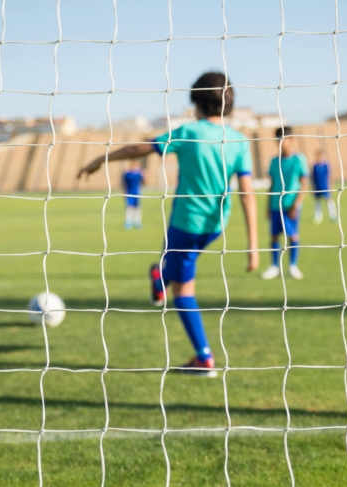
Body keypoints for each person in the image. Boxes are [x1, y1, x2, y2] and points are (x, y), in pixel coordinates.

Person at [78, 71, 259, 377]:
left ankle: (204, 358)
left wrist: (101, 159)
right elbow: (248, 195)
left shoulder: (188, 132)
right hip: (216, 226)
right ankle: (159, 275)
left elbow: (140, 148)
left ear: (195, 101)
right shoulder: (238, 140)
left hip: (186, 224)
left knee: (183, 291)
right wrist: (254, 246)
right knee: (174, 263)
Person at [261, 127, 309, 281]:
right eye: (278, 139)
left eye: (284, 139)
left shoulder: (299, 159)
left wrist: (297, 204)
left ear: (291, 140)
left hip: (291, 206)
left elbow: (304, 184)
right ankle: (274, 266)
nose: (281, 143)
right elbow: (272, 184)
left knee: (293, 236)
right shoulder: (274, 161)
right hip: (276, 205)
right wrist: (267, 206)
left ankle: (293, 265)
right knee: (274, 236)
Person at [312, 148, 337, 224]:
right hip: (317, 187)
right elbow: (313, 177)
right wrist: (313, 187)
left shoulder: (326, 165)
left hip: (325, 186)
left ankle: (333, 216)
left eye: (321, 155)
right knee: (317, 202)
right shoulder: (314, 166)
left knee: (329, 201)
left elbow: (329, 176)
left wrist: (331, 185)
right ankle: (318, 217)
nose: (319, 157)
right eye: (318, 155)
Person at [122, 160, 146, 230]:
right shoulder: (127, 174)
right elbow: (124, 184)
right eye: (135, 165)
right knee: (129, 208)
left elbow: (145, 181)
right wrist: (124, 193)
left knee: (137, 208)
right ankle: (128, 222)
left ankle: (137, 222)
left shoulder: (139, 174)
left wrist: (145, 175)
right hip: (129, 193)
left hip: (137, 193)